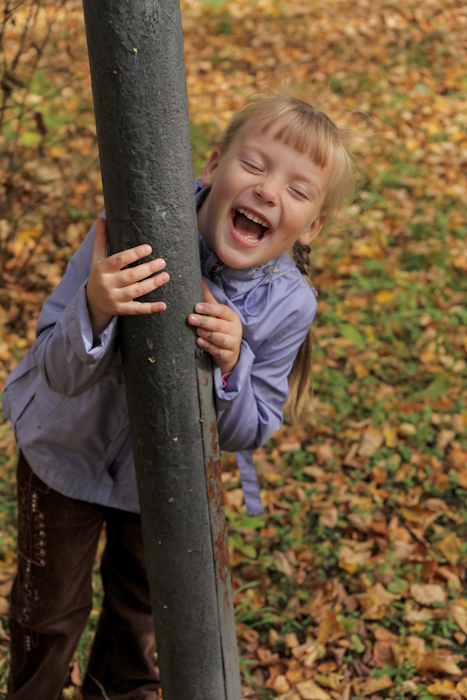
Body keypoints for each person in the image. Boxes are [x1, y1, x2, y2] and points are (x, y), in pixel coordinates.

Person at [2, 89, 358, 699]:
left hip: (163, 484)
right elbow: (56, 372)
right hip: (62, 455)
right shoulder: (131, 232)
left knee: (139, 620)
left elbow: (249, 429)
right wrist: (95, 305)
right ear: (212, 166)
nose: (269, 192)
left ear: (314, 225)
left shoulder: (291, 303)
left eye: (299, 191)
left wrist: (231, 363)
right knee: (48, 613)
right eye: (254, 165)